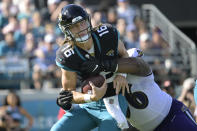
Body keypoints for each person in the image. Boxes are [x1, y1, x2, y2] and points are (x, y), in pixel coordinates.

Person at [77, 47, 197, 131]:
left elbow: (138, 63)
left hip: (172, 117)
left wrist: (115, 70)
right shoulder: (103, 86)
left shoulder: (131, 60)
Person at [51, 4, 130, 131]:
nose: (80, 28)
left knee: (109, 126)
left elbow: (125, 55)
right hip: (89, 106)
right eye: (74, 26)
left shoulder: (106, 34)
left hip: (115, 98)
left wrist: (122, 74)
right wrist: (91, 97)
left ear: (88, 20)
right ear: (66, 30)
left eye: (82, 23)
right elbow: (69, 93)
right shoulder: (67, 54)